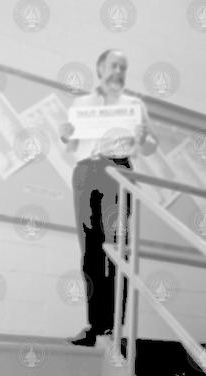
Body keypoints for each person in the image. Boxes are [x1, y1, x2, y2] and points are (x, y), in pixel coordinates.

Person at [60, 49, 158, 347]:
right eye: (113, 65)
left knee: (116, 249)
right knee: (90, 251)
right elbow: (73, 142)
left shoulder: (134, 105)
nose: (118, 70)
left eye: (123, 67)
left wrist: (144, 137)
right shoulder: (81, 104)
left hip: (119, 171)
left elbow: (151, 146)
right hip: (87, 172)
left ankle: (115, 328)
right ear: (100, 67)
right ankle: (94, 325)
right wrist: (65, 135)